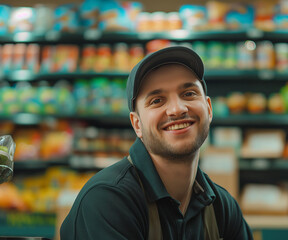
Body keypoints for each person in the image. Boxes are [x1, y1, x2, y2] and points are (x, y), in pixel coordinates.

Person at [60, 46, 253, 240]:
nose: (177, 109)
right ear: (137, 124)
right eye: (157, 100)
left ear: (209, 109)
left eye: (188, 93)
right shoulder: (107, 201)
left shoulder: (222, 208)